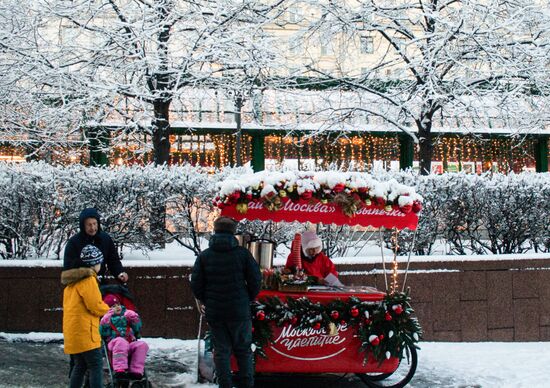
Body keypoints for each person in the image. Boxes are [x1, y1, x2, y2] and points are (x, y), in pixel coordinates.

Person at [191, 216, 261, 388]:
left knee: (221, 352)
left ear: (215, 231)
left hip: (216, 312)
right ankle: (246, 384)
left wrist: (206, 300)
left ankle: (225, 385)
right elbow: (255, 279)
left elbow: (196, 284)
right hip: (239, 311)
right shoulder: (243, 254)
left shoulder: (204, 256)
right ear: (233, 232)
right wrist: (248, 298)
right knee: (243, 351)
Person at [61, 244, 110, 388]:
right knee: (95, 365)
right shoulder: (88, 280)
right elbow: (95, 305)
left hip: (74, 333)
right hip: (86, 333)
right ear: (94, 264)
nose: (100, 265)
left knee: (80, 366)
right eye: (99, 263)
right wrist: (108, 310)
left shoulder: (71, 283)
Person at [64, 208, 128, 283]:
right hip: (80, 285)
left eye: (95, 224)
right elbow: (69, 268)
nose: (93, 228)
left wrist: (119, 273)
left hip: (101, 283)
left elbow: (113, 260)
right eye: (89, 225)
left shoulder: (105, 239)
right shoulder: (73, 243)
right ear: (83, 226)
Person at [100, 295, 149, 380]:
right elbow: (103, 333)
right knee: (120, 341)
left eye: (118, 305)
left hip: (129, 343)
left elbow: (137, 329)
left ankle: (136, 371)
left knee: (142, 345)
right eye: (113, 306)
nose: (117, 307)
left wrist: (134, 318)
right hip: (114, 345)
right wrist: (105, 321)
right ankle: (120, 370)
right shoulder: (107, 319)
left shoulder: (127, 315)